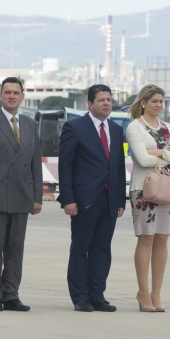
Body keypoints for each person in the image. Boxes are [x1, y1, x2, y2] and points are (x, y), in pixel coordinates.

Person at [0, 77, 42, 312]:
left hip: (22, 196)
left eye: (16, 92)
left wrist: (37, 197)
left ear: (22, 96)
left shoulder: (30, 124)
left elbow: (35, 163)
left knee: (15, 247)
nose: (12, 96)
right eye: (7, 92)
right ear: (0, 96)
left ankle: (10, 293)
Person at [58, 84, 126, 312]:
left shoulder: (116, 130)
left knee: (102, 249)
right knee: (81, 248)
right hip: (84, 200)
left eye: (109, 99)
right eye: (101, 100)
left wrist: (120, 200)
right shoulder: (74, 128)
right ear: (89, 104)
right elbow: (65, 167)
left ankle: (98, 295)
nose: (107, 103)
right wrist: (68, 199)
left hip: (109, 200)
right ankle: (80, 296)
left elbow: (117, 166)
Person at [126, 84, 170, 312]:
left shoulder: (168, 127)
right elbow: (141, 159)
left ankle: (156, 293)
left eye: (161, 101)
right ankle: (143, 293)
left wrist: (159, 153)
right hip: (144, 189)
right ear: (143, 102)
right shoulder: (135, 128)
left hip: (167, 189)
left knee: (162, 238)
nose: (159, 105)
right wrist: (168, 153)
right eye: (154, 101)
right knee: (146, 239)